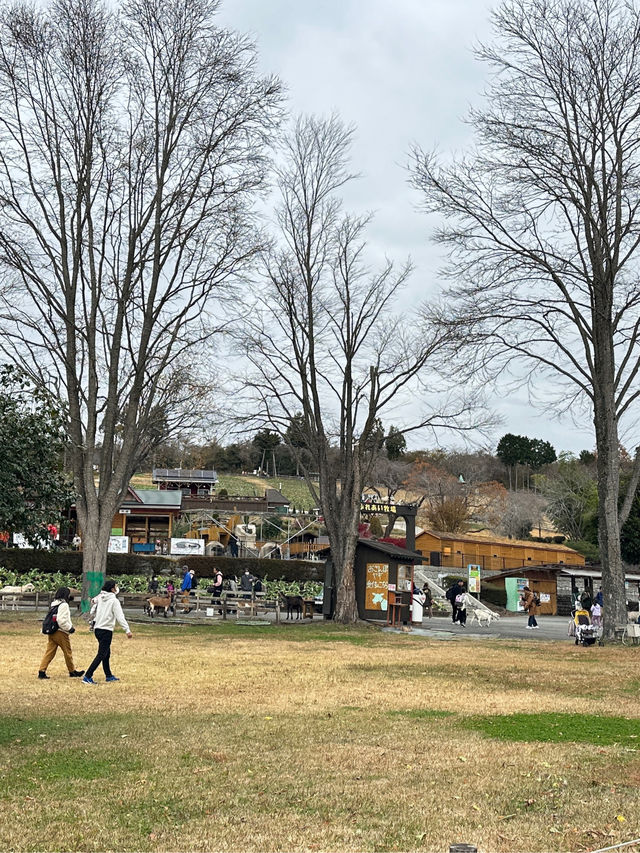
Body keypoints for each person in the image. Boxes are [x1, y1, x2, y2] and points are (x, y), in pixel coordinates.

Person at [82, 580, 132, 684]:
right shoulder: (114, 601)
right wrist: (127, 630)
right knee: (101, 654)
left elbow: (93, 609)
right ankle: (88, 675)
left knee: (106, 653)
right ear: (112, 589)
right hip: (106, 630)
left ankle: (108, 675)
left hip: (98, 628)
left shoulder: (100, 598)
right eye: (115, 586)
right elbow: (120, 616)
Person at [38, 587, 84, 679]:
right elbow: (61, 620)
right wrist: (69, 628)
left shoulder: (54, 604)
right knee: (68, 652)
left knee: (49, 652)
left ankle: (41, 671)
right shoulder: (64, 605)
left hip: (52, 631)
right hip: (61, 632)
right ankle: (72, 671)